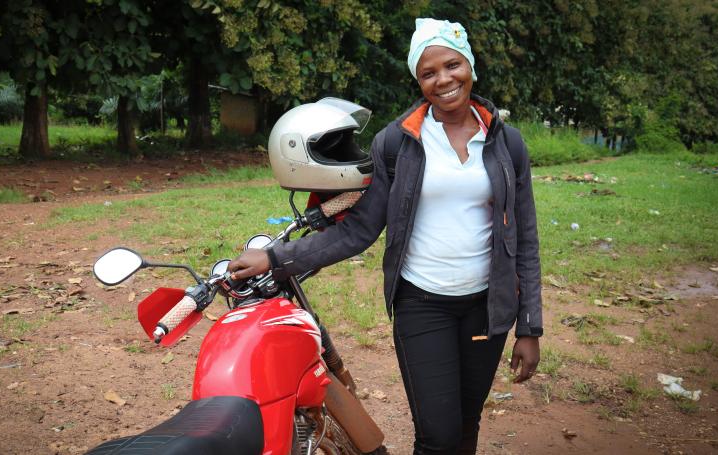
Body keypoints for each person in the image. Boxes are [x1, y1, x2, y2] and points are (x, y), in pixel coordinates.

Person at [229, 18, 542, 455]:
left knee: (466, 428)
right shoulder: (397, 143)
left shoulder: (507, 143)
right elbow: (359, 229)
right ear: (418, 80)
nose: (443, 80)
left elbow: (524, 237)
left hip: (486, 309)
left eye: (452, 65)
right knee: (438, 436)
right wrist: (275, 258)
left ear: (469, 65)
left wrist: (528, 326)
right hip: (422, 305)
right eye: (428, 73)